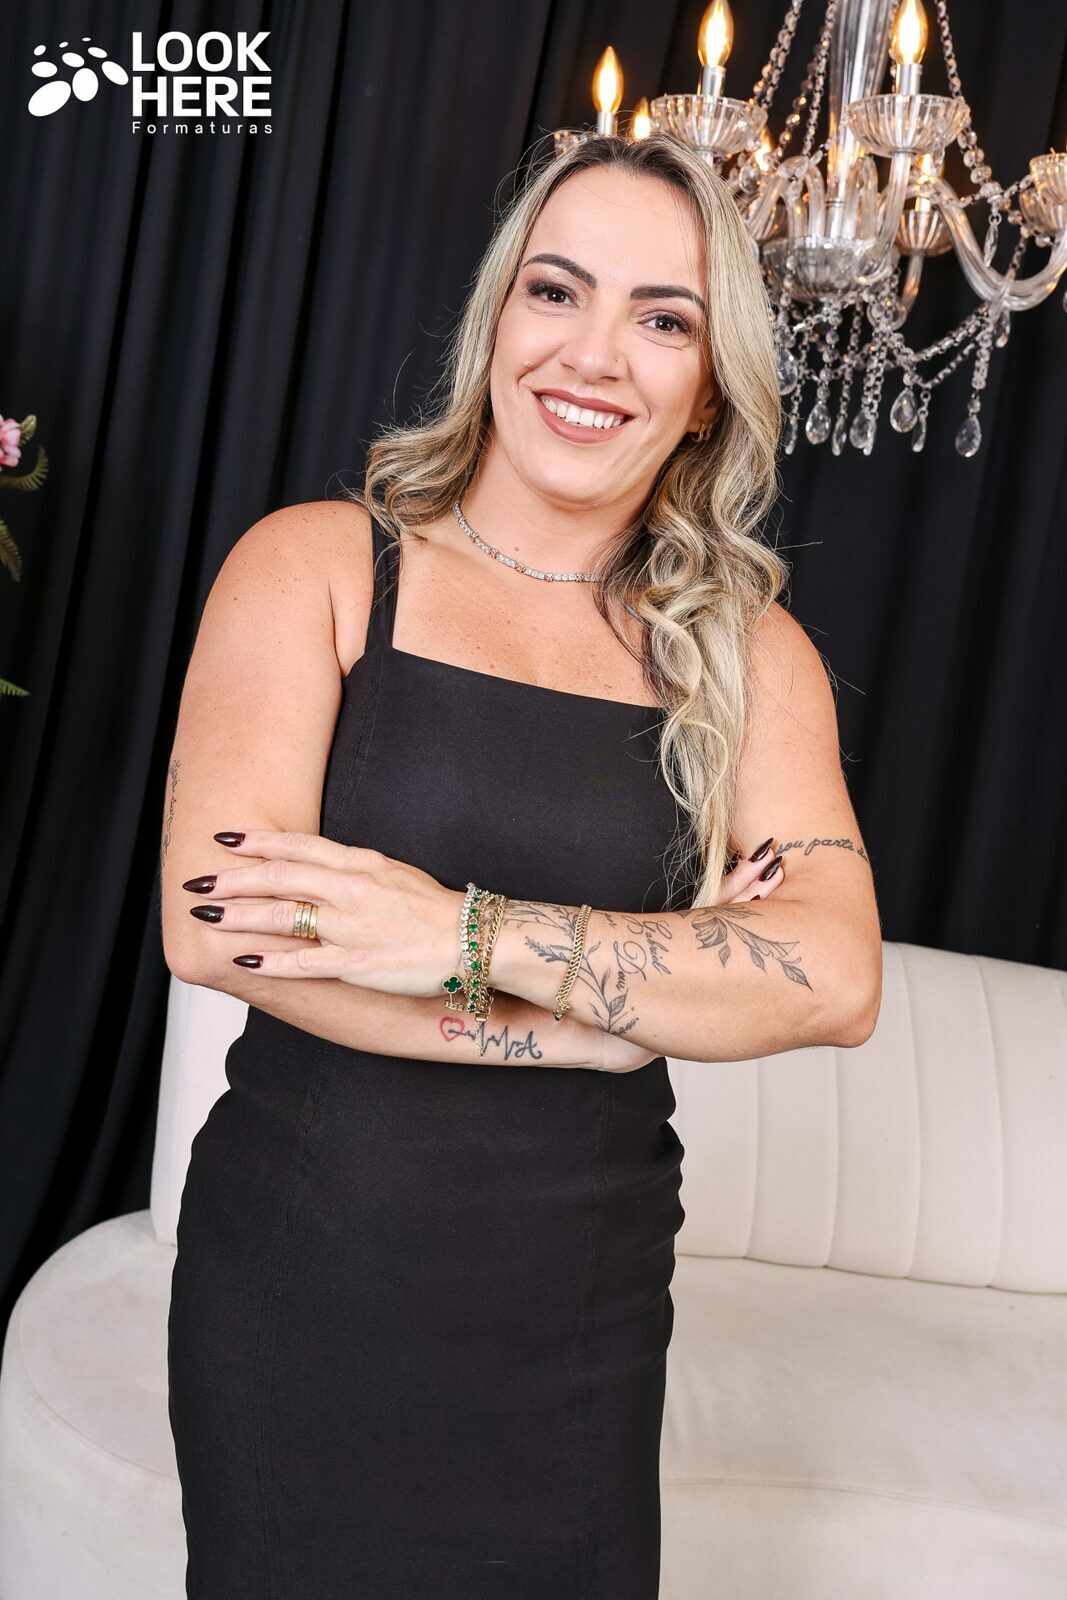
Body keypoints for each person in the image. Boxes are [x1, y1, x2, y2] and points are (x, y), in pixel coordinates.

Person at [161, 132, 882, 1598]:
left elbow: (831, 974)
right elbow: (221, 926)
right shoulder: (317, 566)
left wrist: (454, 931)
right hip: (309, 1282)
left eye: (663, 319)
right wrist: (588, 1027)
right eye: (557, 291)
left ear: (708, 387)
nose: (594, 355)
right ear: (497, 320)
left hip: (578, 1319)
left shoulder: (751, 656)